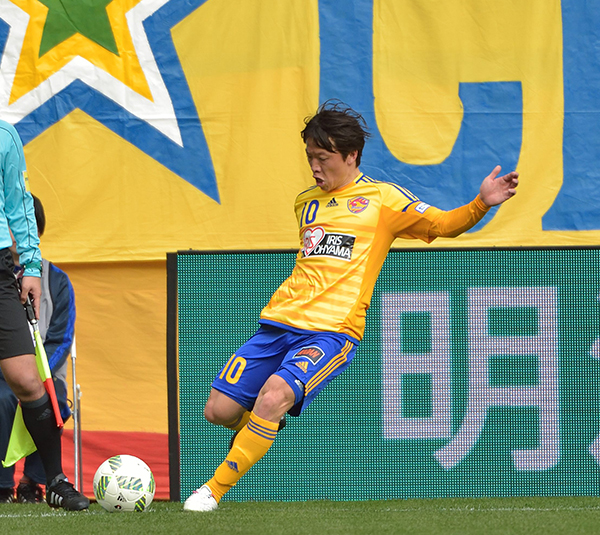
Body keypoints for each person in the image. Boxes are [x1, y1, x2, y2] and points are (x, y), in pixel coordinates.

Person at [183, 100, 519, 512]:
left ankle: (211, 491)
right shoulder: (305, 203)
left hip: (331, 332)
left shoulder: (383, 200)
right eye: (310, 157)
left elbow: (443, 225)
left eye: (323, 158)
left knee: (272, 397)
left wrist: (482, 202)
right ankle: (265, 425)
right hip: (278, 322)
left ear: (351, 155)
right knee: (218, 411)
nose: (314, 167)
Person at [0, 120, 88, 510]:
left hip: (0, 269)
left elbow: (19, 204)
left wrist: (32, 266)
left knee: (26, 378)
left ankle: (53, 481)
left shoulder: (4, 135)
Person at [0, 195, 75, 503]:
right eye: (10, 224)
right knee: (3, 398)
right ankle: (3, 485)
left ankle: (34, 482)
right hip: (3, 372)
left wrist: (36, 372)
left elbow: (61, 337)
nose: (16, 232)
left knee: (50, 397)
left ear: (37, 231)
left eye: (24, 225)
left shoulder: (56, 281)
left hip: (45, 370)